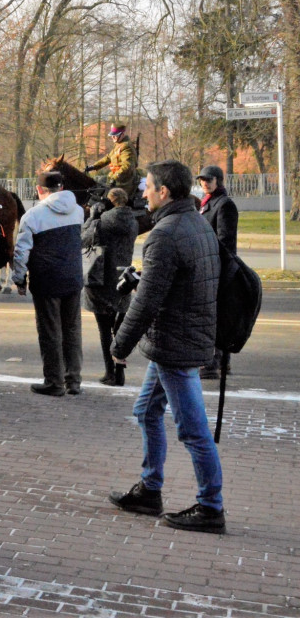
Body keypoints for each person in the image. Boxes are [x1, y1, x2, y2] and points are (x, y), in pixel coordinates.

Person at [109, 160, 225, 534]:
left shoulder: (166, 233)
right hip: (179, 338)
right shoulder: (196, 223)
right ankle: (150, 490)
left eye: (148, 186)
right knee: (146, 411)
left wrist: (120, 344)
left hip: (176, 344)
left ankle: (211, 507)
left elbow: (147, 301)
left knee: (193, 431)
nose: (143, 192)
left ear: (165, 191)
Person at [11, 171, 85, 396]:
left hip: (46, 280)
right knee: (72, 329)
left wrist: (19, 278)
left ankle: (54, 381)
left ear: (39, 190)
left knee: (50, 331)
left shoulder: (33, 216)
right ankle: (74, 380)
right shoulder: (78, 211)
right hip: (73, 277)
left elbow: (21, 251)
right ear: (61, 188)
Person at [82, 188, 138, 387]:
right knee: (120, 329)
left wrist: (92, 217)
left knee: (104, 330)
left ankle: (110, 372)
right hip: (123, 278)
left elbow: (83, 238)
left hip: (102, 279)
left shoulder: (103, 221)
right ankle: (120, 371)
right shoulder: (133, 221)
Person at [196, 164, 239, 379]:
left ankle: (213, 363)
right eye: (202, 179)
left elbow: (225, 241)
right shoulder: (207, 203)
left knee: (214, 316)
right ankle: (223, 362)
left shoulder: (224, 205)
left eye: (208, 179)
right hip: (209, 265)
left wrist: (212, 263)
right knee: (215, 314)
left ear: (218, 181)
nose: (204, 183)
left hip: (219, 268)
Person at [86, 123, 139, 199]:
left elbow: (127, 166)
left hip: (124, 181)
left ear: (122, 134)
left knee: (107, 198)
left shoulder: (126, 146)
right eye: (112, 135)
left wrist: (115, 177)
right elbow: (108, 158)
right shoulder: (118, 144)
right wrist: (93, 167)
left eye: (115, 135)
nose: (113, 137)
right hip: (115, 178)